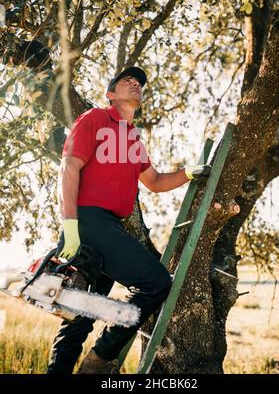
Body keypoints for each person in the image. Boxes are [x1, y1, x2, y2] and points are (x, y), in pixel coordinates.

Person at [47, 66, 210, 374]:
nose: (136, 84)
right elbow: (68, 168)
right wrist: (70, 228)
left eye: (139, 82)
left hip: (109, 226)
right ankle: (102, 357)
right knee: (156, 282)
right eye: (127, 81)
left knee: (79, 319)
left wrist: (188, 173)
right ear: (111, 94)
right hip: (88, 223)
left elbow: (156, 181)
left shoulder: (134, 139)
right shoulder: (95, 118)